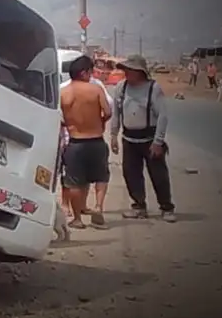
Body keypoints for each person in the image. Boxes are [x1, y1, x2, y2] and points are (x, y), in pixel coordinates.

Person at [110, 55, 176, 222]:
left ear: (140, 72)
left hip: (150, 139)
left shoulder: (153, 89)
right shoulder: (121, 87)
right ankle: (139, 206)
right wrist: (113, 135)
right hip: (129, 139)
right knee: (131, 173)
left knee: (158, 175)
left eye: (129, 70)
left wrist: (158, 142)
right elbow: (116, 113)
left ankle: (166, 207)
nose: (126, 73)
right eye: (125, 70)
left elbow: (163, 116)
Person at [60, 55, 112, 229]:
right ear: (84, 73)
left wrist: (69, 124)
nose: (91, 75)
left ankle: (77, 219)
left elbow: (59, 118)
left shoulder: (63, 93)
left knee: (74, 181)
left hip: (75, 142)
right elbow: (108, 111)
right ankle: (98, 207)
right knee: (101, 176)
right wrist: (101, 123)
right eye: (90, 72)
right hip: (96, 140)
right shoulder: (95, 90)